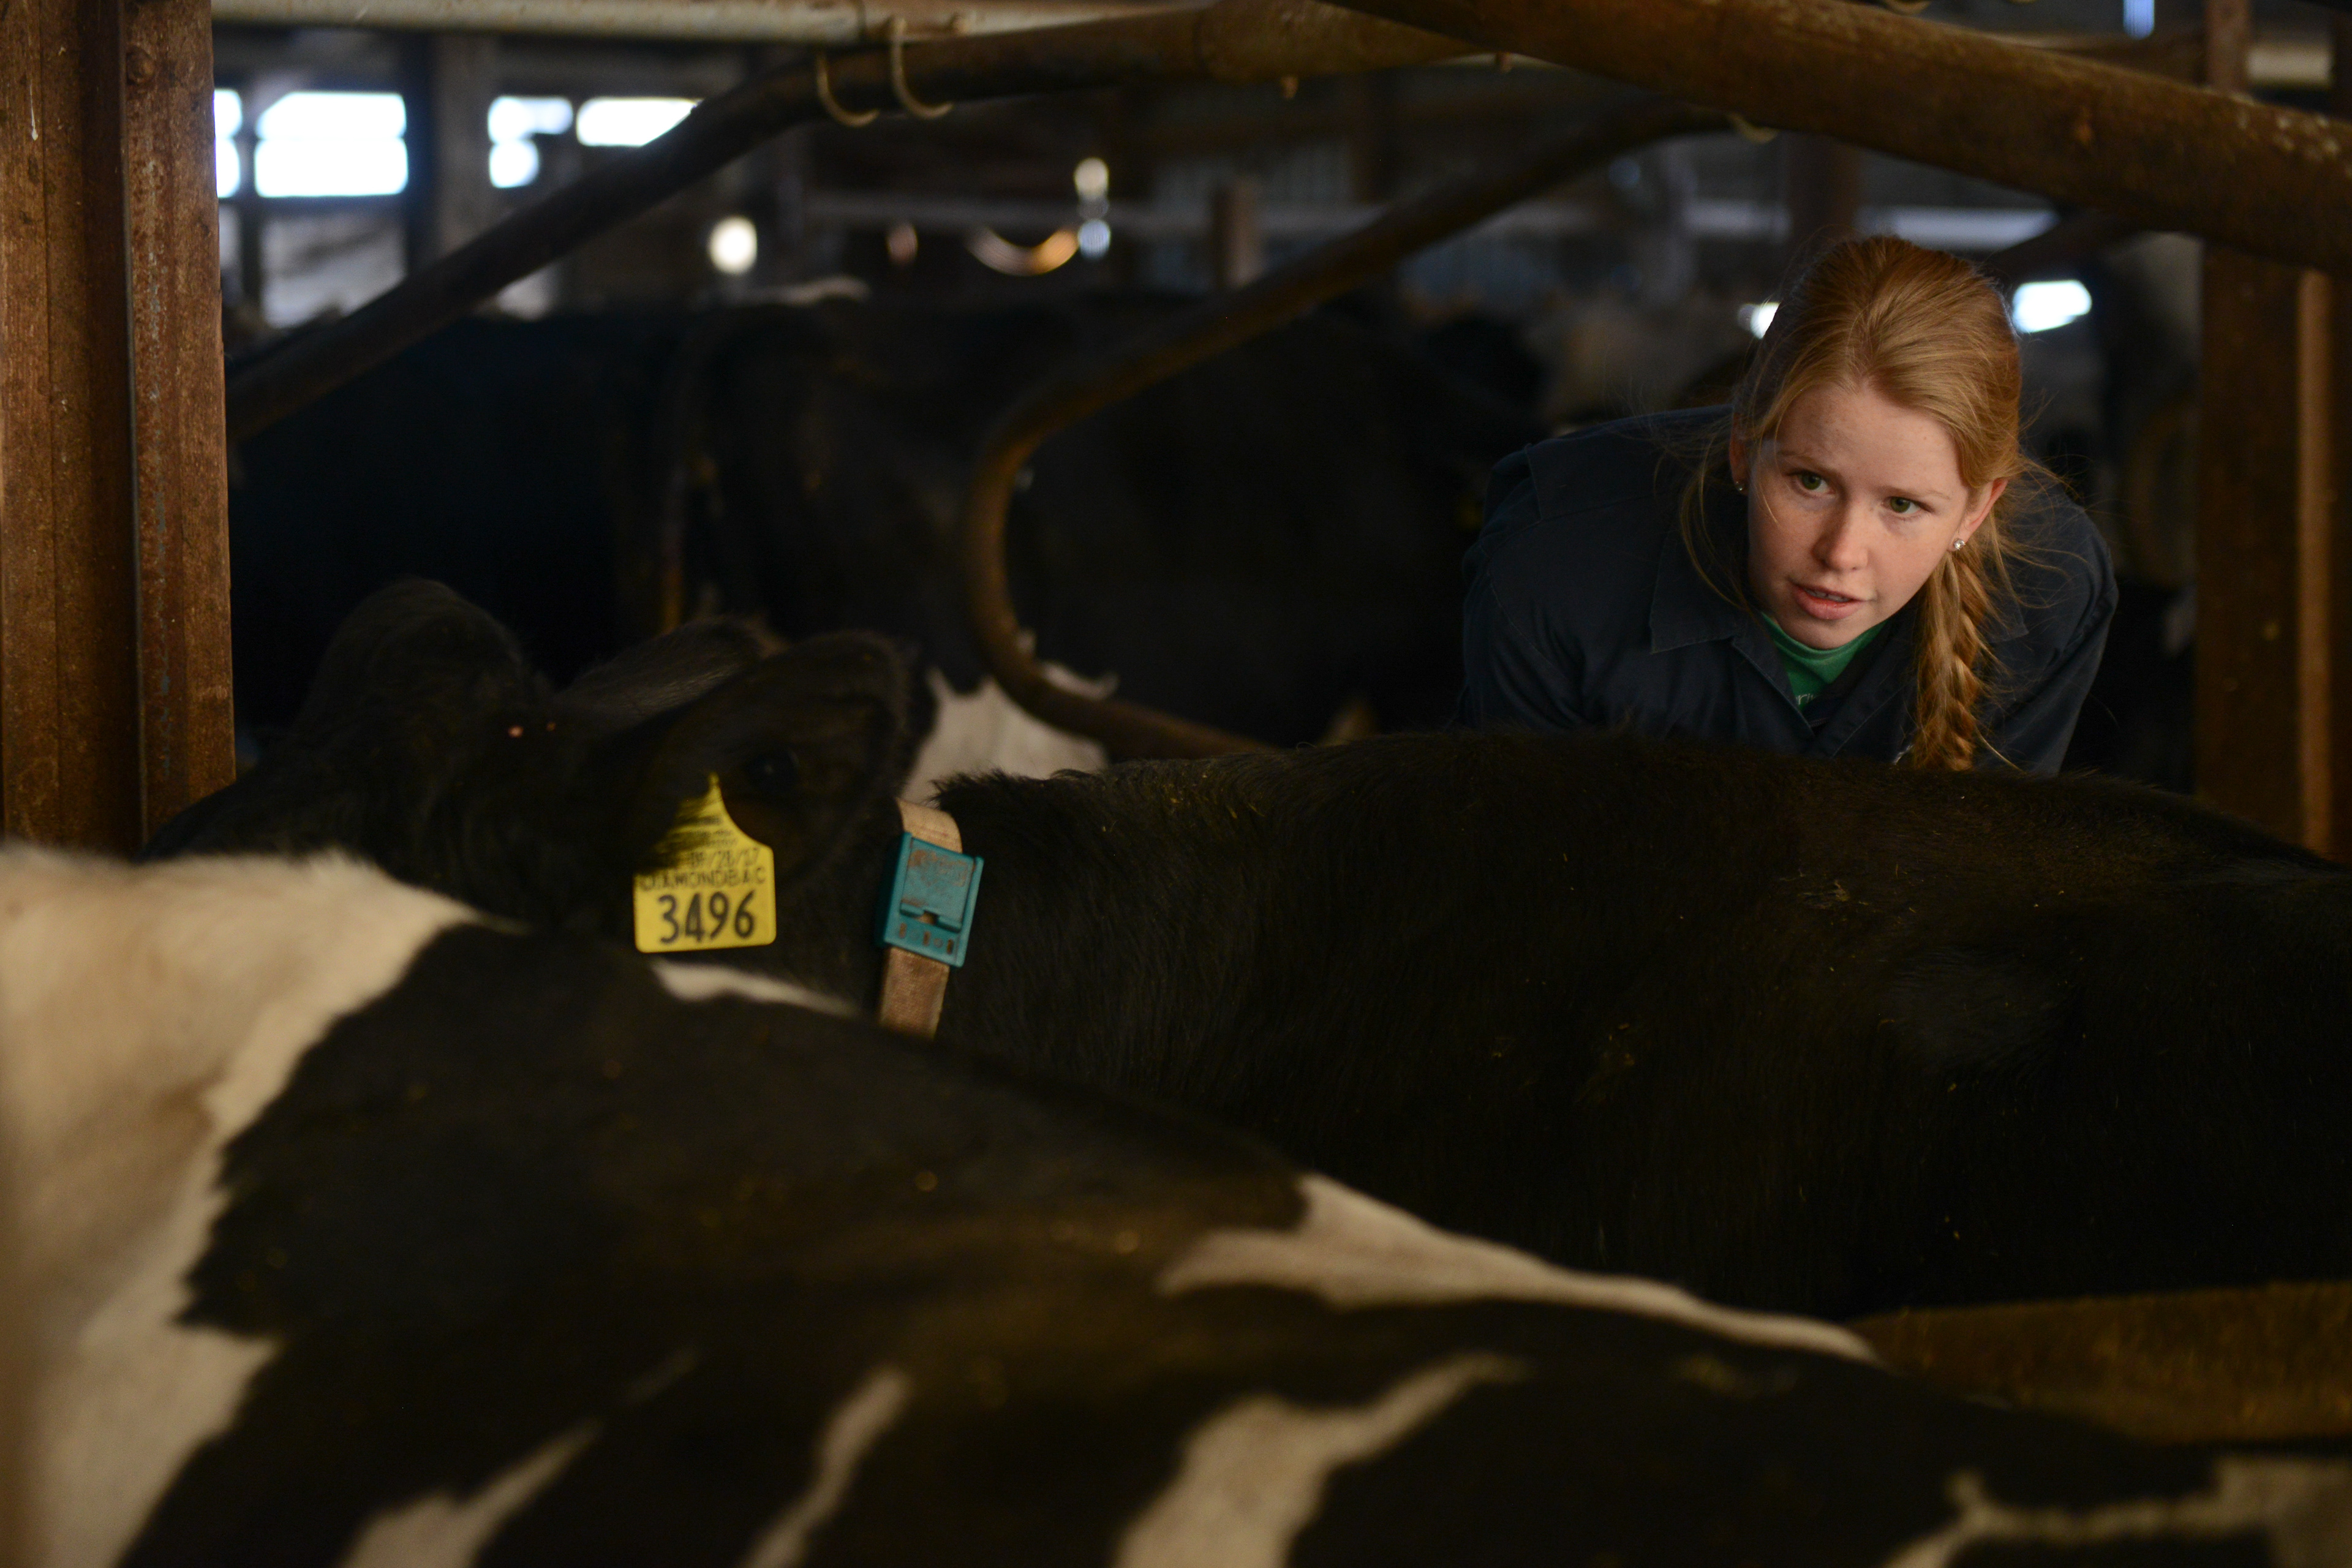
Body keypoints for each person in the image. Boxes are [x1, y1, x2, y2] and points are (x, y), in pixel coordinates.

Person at [1458, 235, 2116, 772]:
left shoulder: (2050, 588)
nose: (1841, 554)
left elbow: (1983, 890)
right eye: (1811, 483)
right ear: (1744, 448)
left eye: (1903, 506)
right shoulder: (1556, 565)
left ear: (1976, 511)